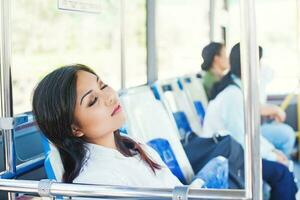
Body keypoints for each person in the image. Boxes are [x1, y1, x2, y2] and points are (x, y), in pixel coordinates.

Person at [32, 64, 182, 187]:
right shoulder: (95, 182)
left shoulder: (131, 145)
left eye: (103, 86)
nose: (109, 97)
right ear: (75, 129)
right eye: (92, 101)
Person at [203, 43, 298, 199]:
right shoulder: (233, 96)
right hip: (227, 157)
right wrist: (272, 156)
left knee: (283, 169)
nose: (261, 68)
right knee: (283, 174)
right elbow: (241, 138)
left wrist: (271, 151)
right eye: (258, 64)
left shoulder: (237, 91)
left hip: (234, 151)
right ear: (249, 67)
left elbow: (250, 132)